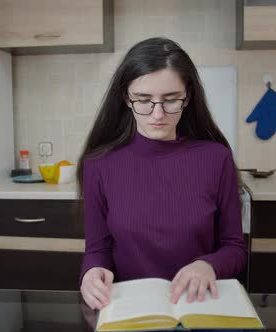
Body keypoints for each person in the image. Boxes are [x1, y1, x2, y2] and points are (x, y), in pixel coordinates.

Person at [76, 37, 247, 311]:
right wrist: (90, 273)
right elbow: (97, 250)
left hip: (200, 306)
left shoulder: (216, 158)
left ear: (187, 97)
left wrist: (208, 265)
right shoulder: (100, 164)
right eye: (144, 100)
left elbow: (234, 248)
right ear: (126, 98)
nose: (157, 114)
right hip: (129, 309)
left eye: (170, 100)